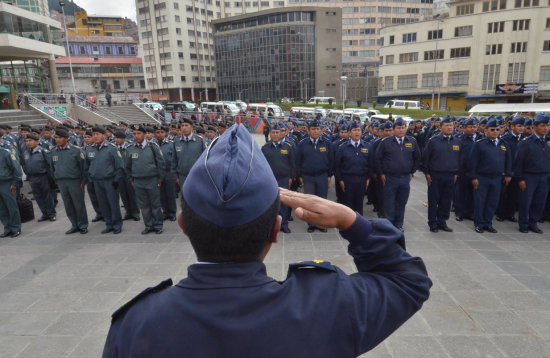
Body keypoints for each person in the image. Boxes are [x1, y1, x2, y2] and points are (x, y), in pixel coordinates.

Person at [102, 123, 432, 358]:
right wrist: (353, 221)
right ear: (276, 230)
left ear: (182, 225)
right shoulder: (327, 305)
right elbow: (408, 283)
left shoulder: (137, 324)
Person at [375, 118, 421, 232]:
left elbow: (417, 158)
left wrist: (412, 171)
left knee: (402, 202)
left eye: (403, 128)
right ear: (394, 130)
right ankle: (389, 226)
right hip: (390, 178)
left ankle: (398, 224)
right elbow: (377, 159)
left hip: (405, 178)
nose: (401, 130)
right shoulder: (385, 142)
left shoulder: (412, 141)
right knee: (389, 203)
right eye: (398, 128)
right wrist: (381, 173)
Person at [468, 119, 512, 234]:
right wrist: (473, 177)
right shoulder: (479, 144)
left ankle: (488, 223)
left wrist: (508, 174)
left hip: (497, 178)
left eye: (497, 129)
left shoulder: (504, 144)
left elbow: (508, 161)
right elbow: (472, 162)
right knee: (480, 201)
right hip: (482, 177)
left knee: (492, 202)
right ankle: (479, 223)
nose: (495, 132)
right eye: (492, 130)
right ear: (486, 130)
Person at [421, 117, 461, 233]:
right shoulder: (433, 141)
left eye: (451, 125)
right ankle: (433, 223)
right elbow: (425, 158)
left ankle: (442, 222)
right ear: (440, 127)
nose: (449, 127)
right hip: (435, 175)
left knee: (446, 200)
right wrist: (427, 173)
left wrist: (456, 173)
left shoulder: (457, 141)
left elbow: (459, 159)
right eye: (447, 125)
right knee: (434, 200)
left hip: (450, 176)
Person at [514, 114, 550, 234]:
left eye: (548, 125)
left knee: (540, 201)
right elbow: (518, 162)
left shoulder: (548, 142)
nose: (546, 128)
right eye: (543, 125)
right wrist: (520, 179)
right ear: (534, 127)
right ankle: (523, 224)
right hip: (529, 176)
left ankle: (533, 223)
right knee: (526, 201)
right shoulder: (526, 142)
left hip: (545, 176)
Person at [125, 125, 164, 235]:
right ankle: (148, 225)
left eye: (139, 133)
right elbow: (127, 167)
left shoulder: (153, 147)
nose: (136, 136)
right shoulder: (130, 149)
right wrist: (131, 180)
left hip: (152, 180)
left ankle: (158, 225)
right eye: (134, 134)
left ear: (144, 134)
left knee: (155, 204)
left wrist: (160, 179)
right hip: (138, 181)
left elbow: (161, 163)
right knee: (144, 206)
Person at [86, 126, 125, 234]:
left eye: (97, 134)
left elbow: (120, 166)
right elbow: (88, 165)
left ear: (104, 135)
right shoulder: (89, 149)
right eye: (93, 135)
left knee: (113, 203)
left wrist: (116, 179)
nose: (95, 136)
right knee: (103, 204)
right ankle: (109, 224)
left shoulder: (112, 148)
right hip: (97, 181)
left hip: (110, 181)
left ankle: (117, 224)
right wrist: (90, 177)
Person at [296, 120, 333, 233]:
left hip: (322, 176)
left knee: (322, 201)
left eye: (318, 129)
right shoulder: (302, 144)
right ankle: (311, 224)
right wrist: (300, 176)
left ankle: (321, 224)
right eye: (313, 129)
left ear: (321, 130)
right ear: (308, 130)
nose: (316, 131)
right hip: (308, 177)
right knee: (310, 202)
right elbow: (298, 162)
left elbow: (331, 161)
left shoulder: (327, 143)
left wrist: (329, 175)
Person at [51, 128, 88, 234]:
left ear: (67, 138)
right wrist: (56, 180)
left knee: (78, 204)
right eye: (56, 137)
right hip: (62, 182)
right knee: (68, 205)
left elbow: (83, 167)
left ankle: (83, 225)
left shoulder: (76, 150)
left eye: (60, 137)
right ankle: (74, 224)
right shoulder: (53, 151)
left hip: (75, 181)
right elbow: (52, 168)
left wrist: (83, 181)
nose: (57, 140)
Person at [261, 123, 295, 233]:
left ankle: (284, 225)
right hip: (270, 180)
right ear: (270, 134)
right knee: (271, 203)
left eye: (277, 132)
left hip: (284, 179)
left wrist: (291, 177)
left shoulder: (288, 147)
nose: (275, 134)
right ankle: (272, 225)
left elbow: (293, 164)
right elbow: (261, 165)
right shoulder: (265, 148)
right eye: (273, 132)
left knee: (284, 203)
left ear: (281, 134)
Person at [334, 121, 370, 216]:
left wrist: (368, 178)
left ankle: (359, 225)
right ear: (349, 133)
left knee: (359, 203)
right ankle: (348, 225)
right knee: (348, 204)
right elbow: (337, 166)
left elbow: (371, 164)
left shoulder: (367, 146)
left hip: (362, 179)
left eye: (358, 130)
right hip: (347, 179)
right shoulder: (342, 147)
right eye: (354, 130)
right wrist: (340, 180)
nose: (357, 132)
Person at [496, 116, 525, 222]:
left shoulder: (524, 139)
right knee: (504, 194)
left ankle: (510, 214)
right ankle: (501, 213)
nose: (521, 128)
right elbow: (505, 157)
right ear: (512, 127)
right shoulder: (505, 139)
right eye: (519, 126)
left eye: (523, 126)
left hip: (519, 171)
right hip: (508, 170)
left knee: (514, 194)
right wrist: (506, 172)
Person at [24, 134, 56, 222]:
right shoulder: (26, 152)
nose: (28, 143)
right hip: (33, 178)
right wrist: (29, 178)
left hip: (43, 176)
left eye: (30, 140)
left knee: (47, 196)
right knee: (38, 197)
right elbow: (27, 166)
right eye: (26, 141)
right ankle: (45, 213)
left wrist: (51, 178)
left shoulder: (43, 151)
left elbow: (49, 165)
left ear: (37, 142)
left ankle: (51, 214)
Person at [454, 117, 478, 222]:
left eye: (474, 126)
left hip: (475, 171)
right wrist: (457, 171)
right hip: (463, 171)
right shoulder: (459, 139)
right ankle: (460, 213)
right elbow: (456, 156)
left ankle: (470, 212)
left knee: (473, 193)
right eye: (470, 127)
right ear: (464, 128)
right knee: (461, 193)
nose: (473, 129)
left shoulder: (480, 138)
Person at [171, 118, 205, 190]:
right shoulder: (177, 141)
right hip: (182, 177)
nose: (184, 128)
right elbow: (174, 160)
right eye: (182, 125)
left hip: (197, 176)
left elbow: (205, 159)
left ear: (192, 127)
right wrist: (175, 177)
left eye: (186, 125)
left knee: (197, 198)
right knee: (184, 198)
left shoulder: (199, 141)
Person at [114, 131, 140, 221]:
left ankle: (135, 212)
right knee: (123, 194)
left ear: (123, 138)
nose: (116, 139)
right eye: (115, 138)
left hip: (129, 174)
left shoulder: (129, 147)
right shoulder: (114, 148)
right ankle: (128, 212)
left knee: (132, 194)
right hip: (119, 175)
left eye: (118, 138)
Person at [0, 131, 22, 238]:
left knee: (11, 206)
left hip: (7, 182)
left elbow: (17, 170)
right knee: (1, 207)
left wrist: (14, 183)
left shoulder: (6, 152)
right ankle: (7, 227)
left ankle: (16, 228)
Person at [83, 130, 102, 222]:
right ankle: (99, 213)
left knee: (102, 196)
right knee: (93, 197)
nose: (87, 139)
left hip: (99, 177)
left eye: (88, 137)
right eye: (85, 137)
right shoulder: (83, 149)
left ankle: (105, 213)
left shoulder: (98, 148)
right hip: (89, 178)